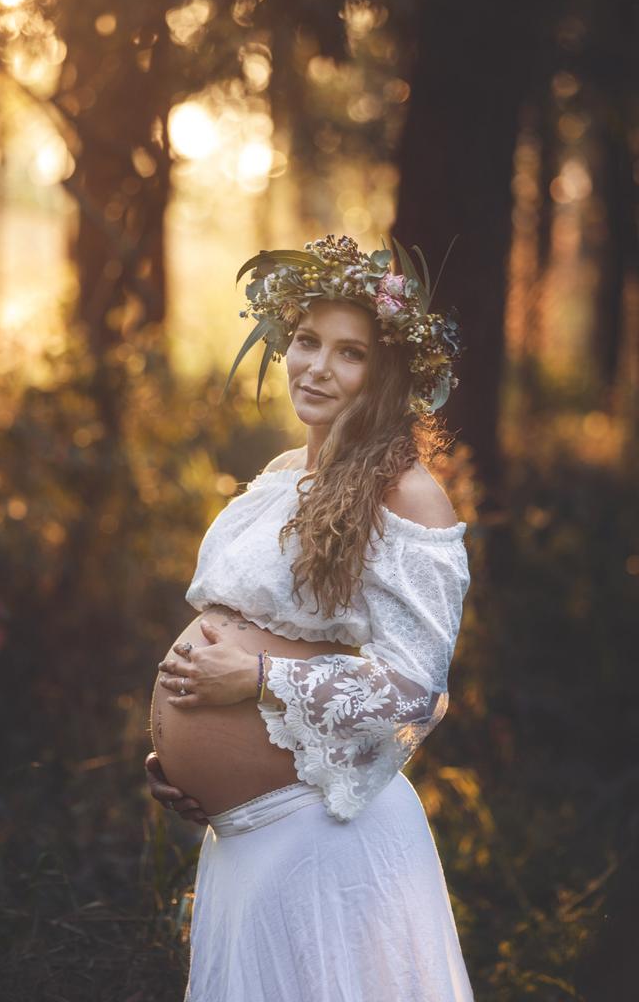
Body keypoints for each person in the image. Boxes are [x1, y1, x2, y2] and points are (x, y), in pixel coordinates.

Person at [145, 234, 474, 1000]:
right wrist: (183, 759)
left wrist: (256, 678)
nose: (317, 367)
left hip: (326, 842)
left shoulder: (408, 495)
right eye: (305, 341)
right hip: (244, 841)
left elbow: (414, 693)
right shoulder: (282, 475)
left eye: (349, 353)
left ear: (387, 373)